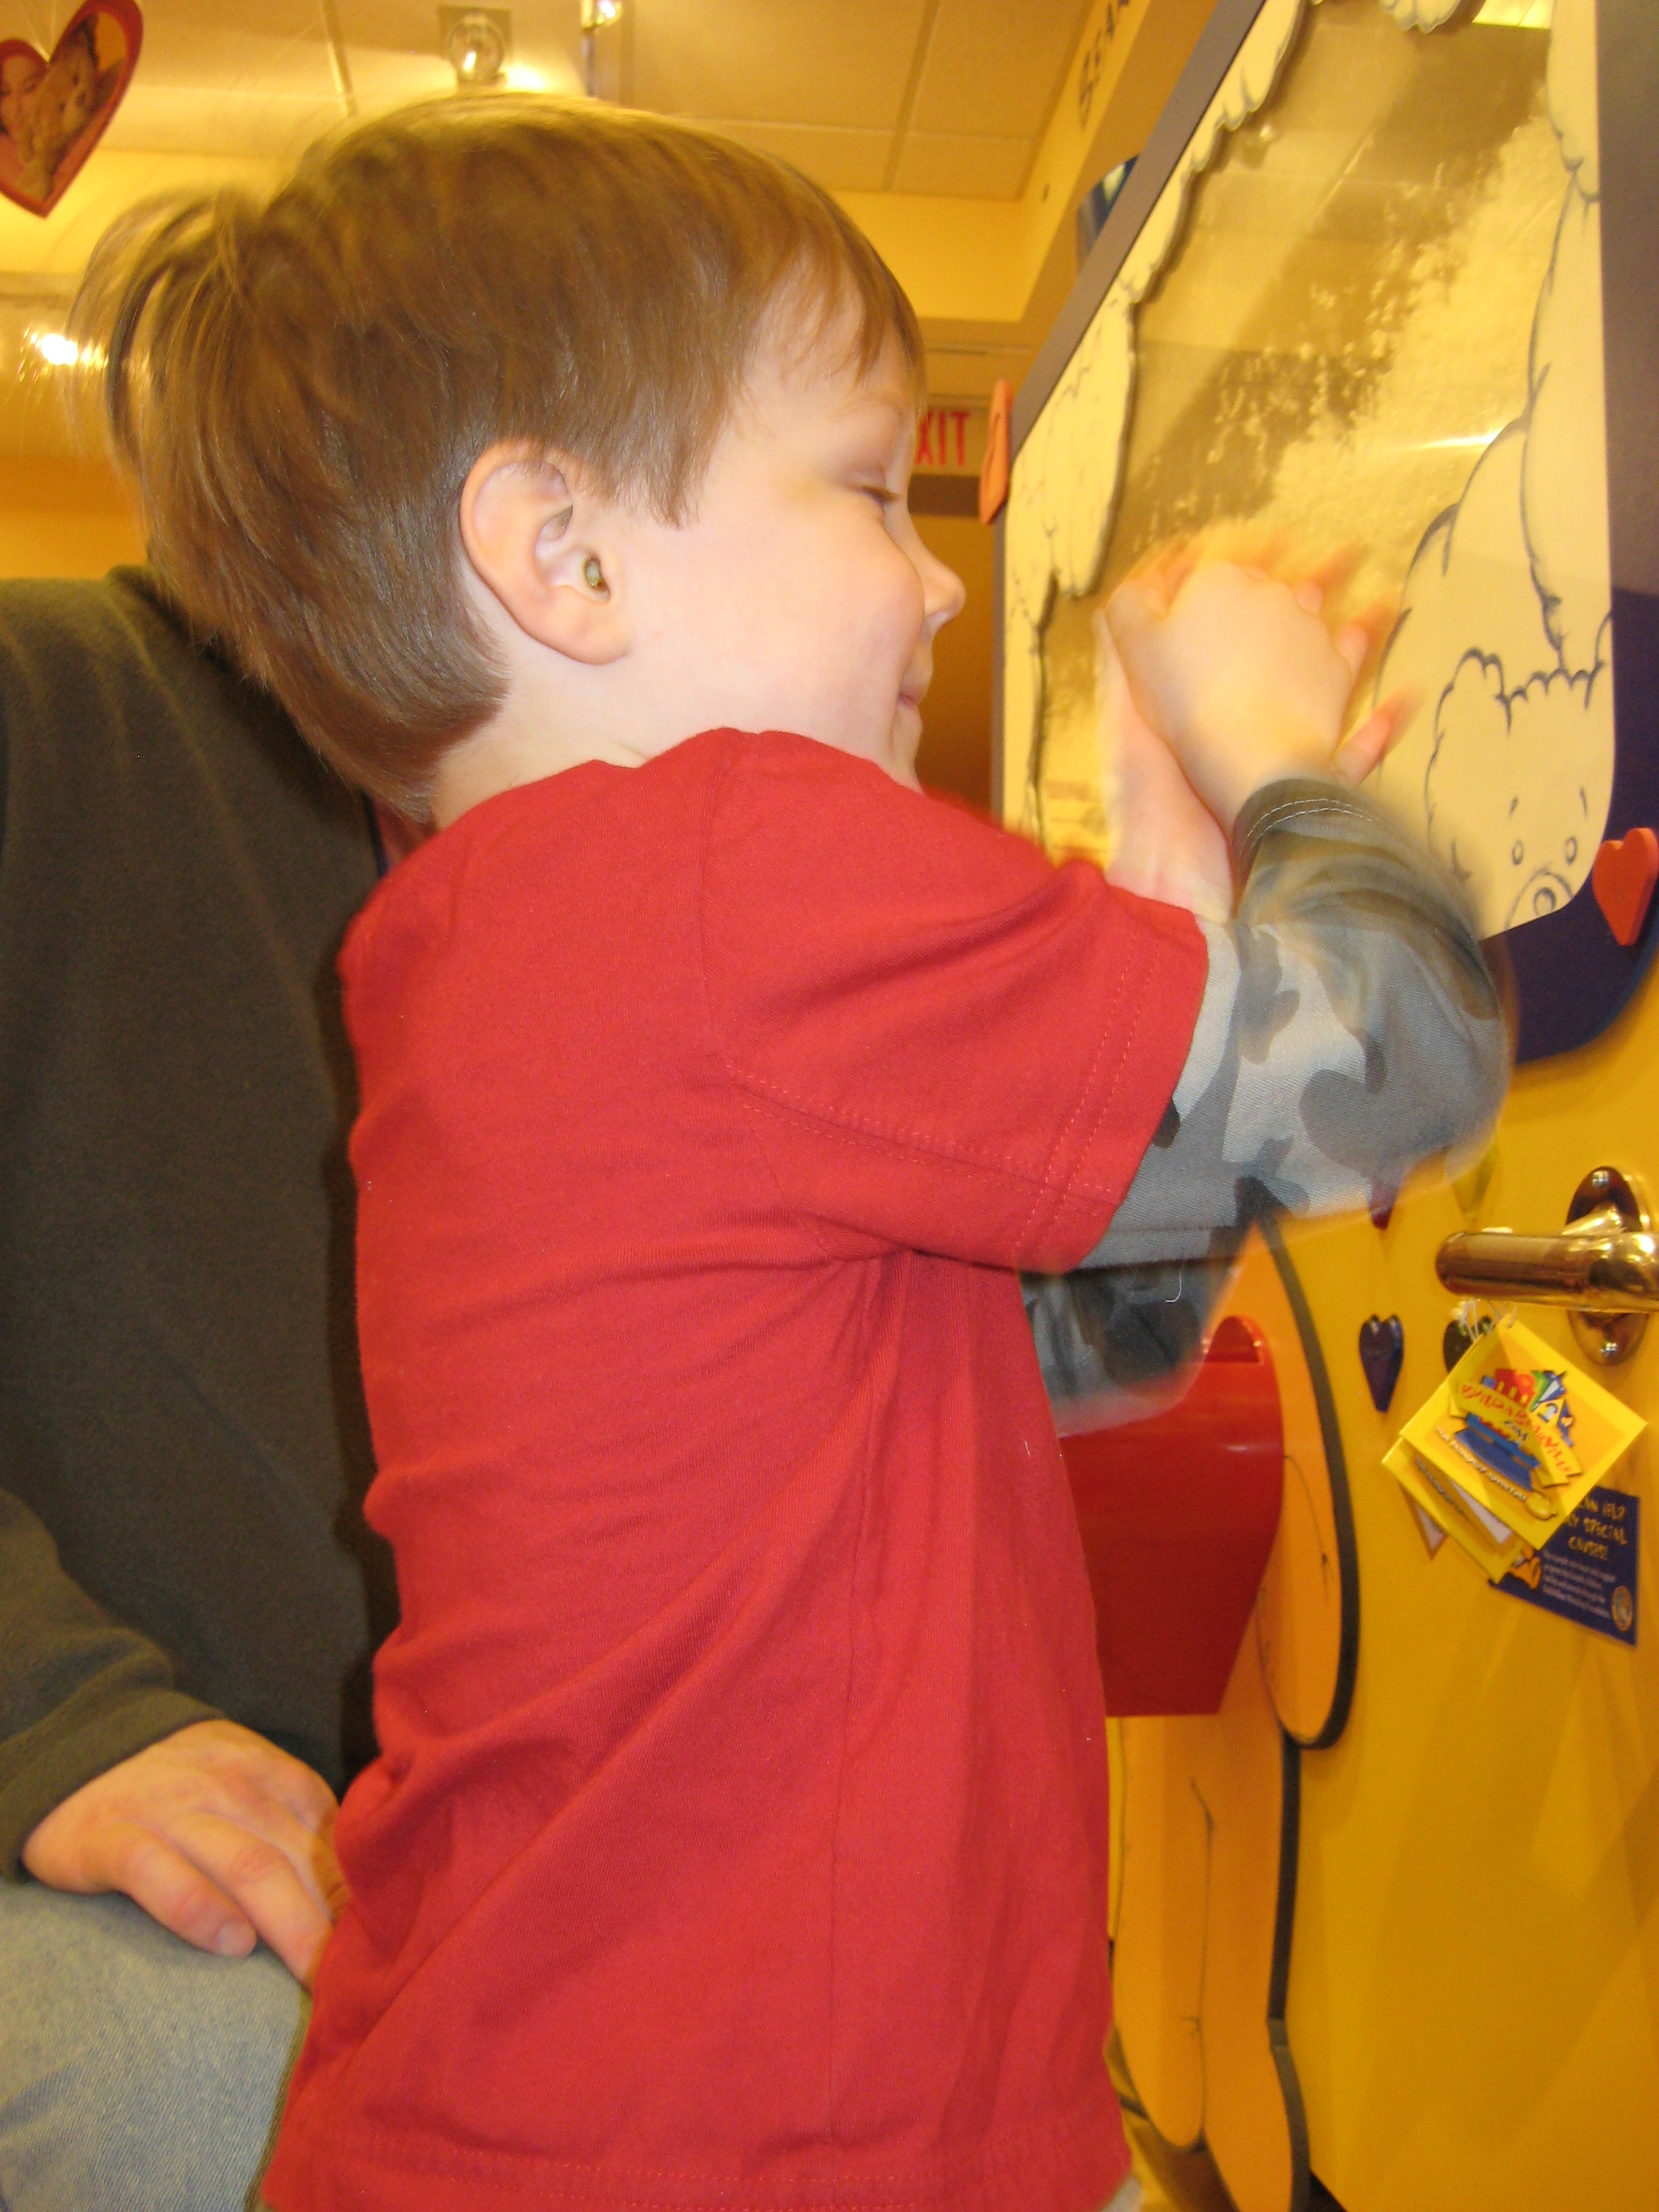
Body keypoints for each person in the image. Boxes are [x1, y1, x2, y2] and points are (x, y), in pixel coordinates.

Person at [71, 98, 1508, 2212]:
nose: (937, 578)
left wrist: (1175, 897)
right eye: (863, 482)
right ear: (561, 551)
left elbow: (1070, 1351)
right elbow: (1403, 1065)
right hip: (755, 2147)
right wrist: (1275, 744)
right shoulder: (731, 865)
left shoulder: (510, 960)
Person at [0, 567, 391, 2212]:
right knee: (216, 2091)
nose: (940, 583)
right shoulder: (43, 701)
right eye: (862, 492)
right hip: (100, 1821)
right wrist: (50, 1715)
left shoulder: (643, 865)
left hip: (474, 1843)